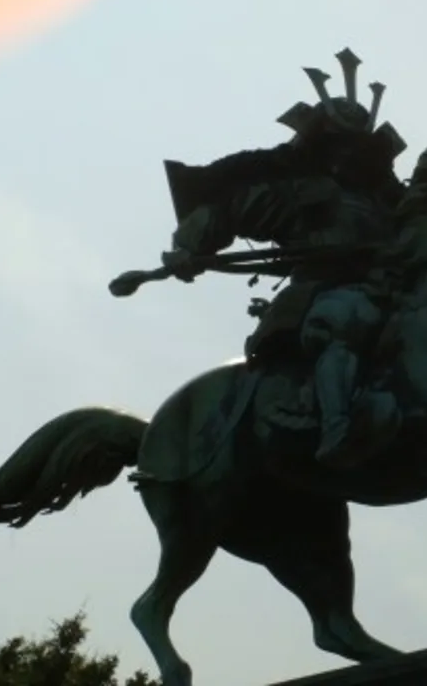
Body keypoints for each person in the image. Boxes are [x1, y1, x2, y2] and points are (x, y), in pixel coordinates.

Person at [163, 49, 407, 467]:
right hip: (325, 291)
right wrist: (189, 248)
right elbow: (228, 211)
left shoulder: (390, 204)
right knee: (344, 321)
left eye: (355, 150)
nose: (346, 157)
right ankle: (336, 425)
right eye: (338, 147)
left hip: (389, 290)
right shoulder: (298, 193)